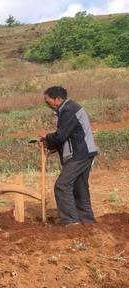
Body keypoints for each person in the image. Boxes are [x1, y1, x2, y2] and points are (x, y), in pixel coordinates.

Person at [39, 86, 99, 225]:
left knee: (62, 185)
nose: (47, 104)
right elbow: (67, 136)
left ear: (58, 99)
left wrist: (46, 137)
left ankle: (71, 222)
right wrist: (47, 142)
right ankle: (87, 220)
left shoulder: (69, 110)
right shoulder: (69, 109)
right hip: (84, 152)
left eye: (48, 101)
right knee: (79, 186)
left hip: (79, 154)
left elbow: (61, 136)